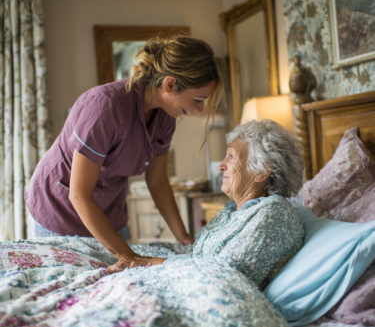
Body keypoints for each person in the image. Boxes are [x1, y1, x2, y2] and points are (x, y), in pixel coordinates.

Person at [25, 35, 222, 265]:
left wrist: (185, 240)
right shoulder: (104, 107)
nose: (200, 109)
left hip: (110, 214)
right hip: (60, 212)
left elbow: (157, 181)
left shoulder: (166, 117)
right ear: (170, 84)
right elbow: (79, 194)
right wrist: (129, 256)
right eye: (198, 100)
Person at [107, 120, 306, 290]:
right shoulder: (232, 209)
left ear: (262, 171)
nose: (220, 165)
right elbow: (194, 254)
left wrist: (147, 262)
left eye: (231, 156)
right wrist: (137, 255)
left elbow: (226, 274)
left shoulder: (274, 213)